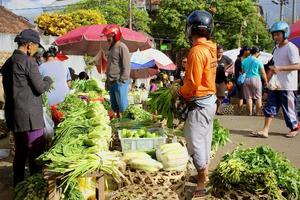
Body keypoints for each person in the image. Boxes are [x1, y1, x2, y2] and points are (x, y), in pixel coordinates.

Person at [1, 29, 53, 186]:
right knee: (35, 152)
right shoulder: (28, 62)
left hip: (14, 114)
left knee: (20, 152)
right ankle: (34, 186)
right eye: (37, 46)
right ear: (29, 45)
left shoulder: (9, 63)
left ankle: (18, 184)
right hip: (30, 115)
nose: (37, 49)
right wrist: (48, 80)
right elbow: (39, 87)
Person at [176, 10, 217, 198]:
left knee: (194, 141)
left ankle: (202, 180)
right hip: (209, 101)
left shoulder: (196, 51)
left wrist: (179, 92)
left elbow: (192, 83)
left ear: (190, 29)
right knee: (205, 139)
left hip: (199, 103)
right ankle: (204, 173)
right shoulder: (210, 49)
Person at [254, 21, 300, 138]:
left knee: (288, 109)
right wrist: (267, 81)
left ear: (285, 34)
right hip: (275, 84)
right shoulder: (276, 49)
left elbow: (298, 65)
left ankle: (294, 127)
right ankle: (265, 130)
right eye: (274, 35)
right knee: (270, 106)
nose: (275, 37)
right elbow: (273, 66)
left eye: (278, 34)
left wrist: (281, 68)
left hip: (288, 85)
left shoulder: (291, 48)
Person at [102, 24, 131, 118]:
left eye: (109, 36)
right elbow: (110, 66)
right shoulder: (111, 48)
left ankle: (126, 126)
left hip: (119, 82)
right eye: (106, 36)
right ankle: (119, 125)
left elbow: (126, 65)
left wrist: (122, 80)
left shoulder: (122, 47)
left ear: (115, 35)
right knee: (115, 107)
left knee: (123, 107)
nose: (107, 38)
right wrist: (107, 81)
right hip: (112, 82)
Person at [242, 46, 268, 116]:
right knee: (258, 97)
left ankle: (250, 113)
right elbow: (262, 72)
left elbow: (243, 71)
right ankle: (258, 112)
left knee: (248, 97)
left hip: (246, 79)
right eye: (259, 52)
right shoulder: (258, 61)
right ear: (256, 52)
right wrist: (266, 81)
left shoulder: (244, 60)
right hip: (256, 79)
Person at [215, 45, 233, 115]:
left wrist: (227, 69)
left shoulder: (225, 58)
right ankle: (215, 109)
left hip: (222, 80)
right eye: (219, 52)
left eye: (222, 52)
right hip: (213, 80)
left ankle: (218, 110)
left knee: (221, 96)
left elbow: (232, 63)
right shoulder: (213, 58)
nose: (220, 53)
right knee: (214, 95)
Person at [234, 46, 250, 114]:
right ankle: (239, 111)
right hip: (241, 80)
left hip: (247, 79)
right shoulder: (238, 60)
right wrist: (237, 81)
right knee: (241, 96)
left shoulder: (249, 59)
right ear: (244, 51)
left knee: (247, 97)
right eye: (248, 50)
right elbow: (236, 72)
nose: (249, 52)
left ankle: (248, 111)